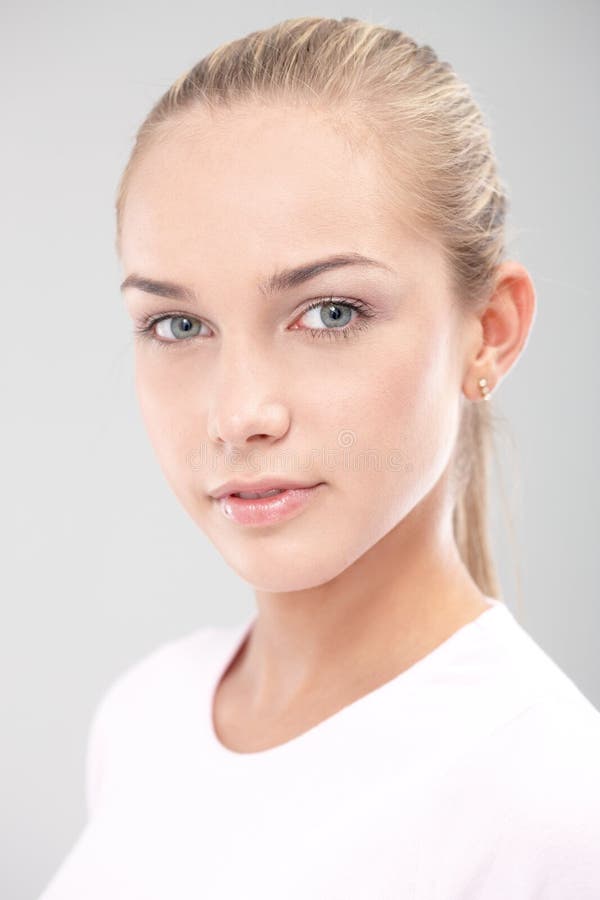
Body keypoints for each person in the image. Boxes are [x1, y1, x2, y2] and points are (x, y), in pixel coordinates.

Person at [39, 15, 600, 900]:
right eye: (177, 325)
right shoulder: (146, 713)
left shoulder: (550, 801)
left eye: (329, 312)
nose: (238, 414)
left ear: (490, 332)